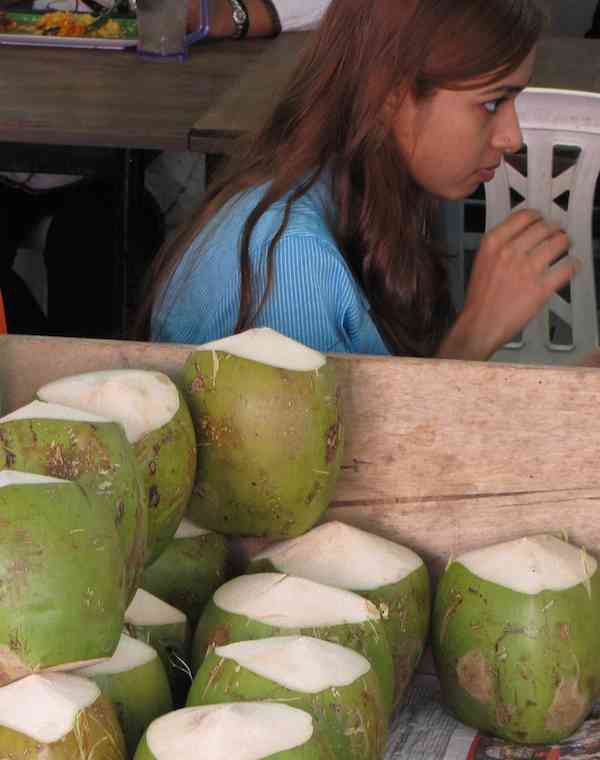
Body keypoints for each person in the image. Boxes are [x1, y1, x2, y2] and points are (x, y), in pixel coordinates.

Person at [141, 0, 578, 360]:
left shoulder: (363, 186)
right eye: (492, 103)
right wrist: (475, 336)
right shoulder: (289, 267)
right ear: (389, 94)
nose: (512, 137)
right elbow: (355, 464)